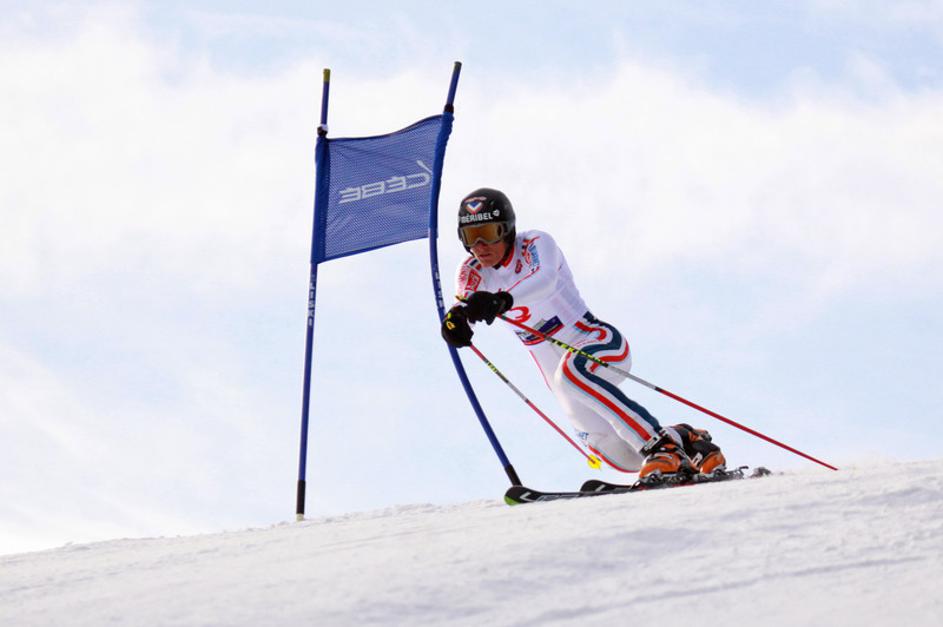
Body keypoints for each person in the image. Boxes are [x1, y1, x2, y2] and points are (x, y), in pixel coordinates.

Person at [440, 188, 725, 479]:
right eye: (470, 236)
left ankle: (661, 447)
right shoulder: (472, 270)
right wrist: (456, 324)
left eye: (488, 232)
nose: (480, 245)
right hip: (557, 375)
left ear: (507, 229)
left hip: (598, 343)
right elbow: (463, 307)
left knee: (572, 374)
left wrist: (501, 300)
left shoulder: (535, 243)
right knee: (613, 451)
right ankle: (685, 440)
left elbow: (545, 280)